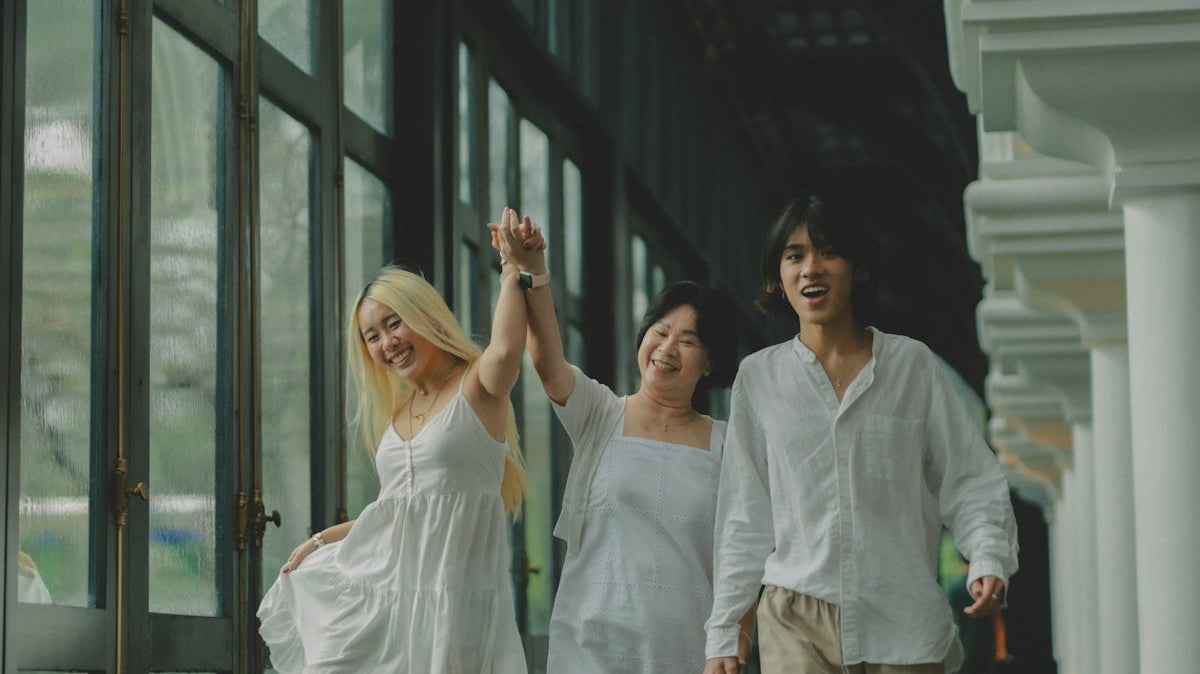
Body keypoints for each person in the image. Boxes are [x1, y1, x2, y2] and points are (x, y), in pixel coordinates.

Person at [703, 194, 1019, 674]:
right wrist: (727, 632)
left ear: (857, 268)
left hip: (902, 620)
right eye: (795, 256)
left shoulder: (912, 365)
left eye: (828, 252)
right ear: (778, 277)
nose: (812, 268)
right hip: (796, 616)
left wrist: (988, 556)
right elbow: (744, 515)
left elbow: (969, 478)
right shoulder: (758, 378)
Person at [257, 208, 537, 673]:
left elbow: (507, 349)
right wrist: (321, 542)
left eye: (394, 323)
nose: (386, 343)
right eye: (372, 336)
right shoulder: (397, 413)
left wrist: (513, 269)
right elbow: (398, 512)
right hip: (392, 607)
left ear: (423, 315)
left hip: (456, 608)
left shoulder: (477, 388)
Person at [492, 216, 755, 673]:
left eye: (688, 341)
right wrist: (530, 269)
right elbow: (549, 362)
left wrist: (734, 641)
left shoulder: (728, 444)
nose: (667, 348)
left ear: (710, 362)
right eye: (661, 330)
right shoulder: (601, 413)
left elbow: (744, 556)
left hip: (685, 649)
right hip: (589, 644)